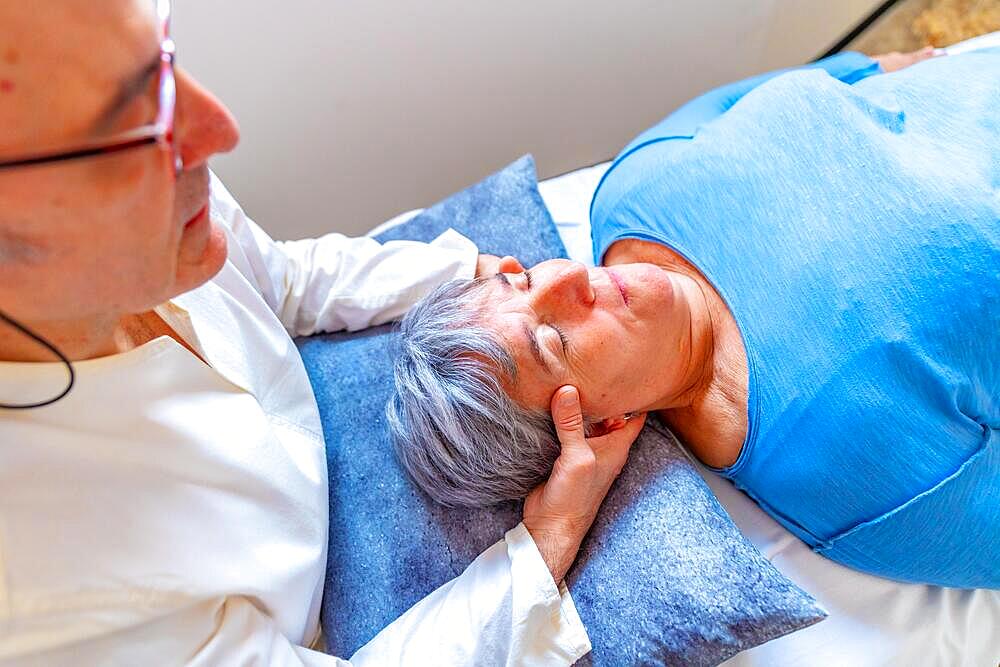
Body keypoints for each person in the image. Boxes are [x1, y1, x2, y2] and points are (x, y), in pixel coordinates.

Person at [0, 1, 647, 663]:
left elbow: (276, 278)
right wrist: (547, 540)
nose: (217, 129)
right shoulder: (45, 591)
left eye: (161, 60)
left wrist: (467, 275)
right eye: (128, 128)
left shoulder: (166, 194)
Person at [389, 46, 1000, 589]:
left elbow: (837, 75)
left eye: (518, 280)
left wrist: (901, 65)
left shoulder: (633, 185)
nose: (567, 276)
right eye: (554, 339)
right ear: (598, 428)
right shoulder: (850, 476)